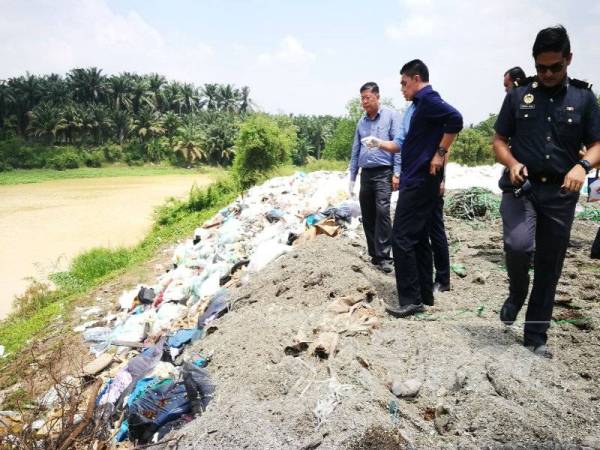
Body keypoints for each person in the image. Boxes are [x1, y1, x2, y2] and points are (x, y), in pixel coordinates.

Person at [493, 25, 600, 358]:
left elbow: (597, 144)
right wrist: (511, 162)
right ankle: (516, 293)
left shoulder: (583, 98)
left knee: (550, 264)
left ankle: (535, 335)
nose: (548, 73)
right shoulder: (517, 95)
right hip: (520, 188)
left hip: (560, 194)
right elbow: (498, 141)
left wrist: (582, 167)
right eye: (542, 67)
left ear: (568, 59)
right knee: (518, 244)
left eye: (556, 66)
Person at [363, 60, 463, 316]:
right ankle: (424, 295)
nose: (401, 88)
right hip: (413, 178)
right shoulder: (414, 108)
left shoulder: (428, 100)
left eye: (404, 83)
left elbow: (456, 119)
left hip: (421, 179)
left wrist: (440, 153)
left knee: (401, 237)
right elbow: (399, 144)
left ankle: (410, 299)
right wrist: (378, 143)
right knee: (417, 238)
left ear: (416, 78)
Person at [348, 82, 401, 273]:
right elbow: (356, 150)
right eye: (362, 98)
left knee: (382, 211)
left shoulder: (391, 116)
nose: (364, 102)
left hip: (384, 172)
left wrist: (397, 172)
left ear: (377, 97)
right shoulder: (361, 122)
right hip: (366, 173)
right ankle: (375, 254)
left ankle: (385, 256)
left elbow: (398, 145)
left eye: (367, 98)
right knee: (368, 213)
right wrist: (352, 177)